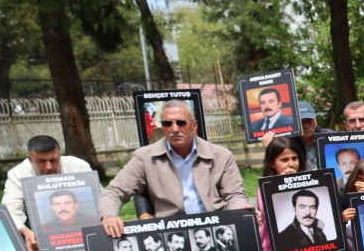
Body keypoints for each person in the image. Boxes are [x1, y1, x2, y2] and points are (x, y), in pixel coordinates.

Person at [98, 100, 250, 235]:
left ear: (194, 125)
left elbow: (234, 195)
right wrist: (109, 215)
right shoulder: (145, 158)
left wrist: (240, 210)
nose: (174, 128)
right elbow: (114, 191)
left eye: (181, 122)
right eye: (167, 123)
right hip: (170, 234)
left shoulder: (221, 156)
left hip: (217, 228)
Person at [2, 135, 95, 251]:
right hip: (35, 232)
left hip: (83, 230)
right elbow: (11, 208)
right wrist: (23, 230)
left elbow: (99, 198)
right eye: (41, 161)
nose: (48, 167)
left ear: (60, 155)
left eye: (53, 160)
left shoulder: (78, 166)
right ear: (30, 159)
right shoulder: (17, 173)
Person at [256, 138, 328, 251]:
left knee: (346, 244)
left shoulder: (310, 180)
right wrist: (282, 184)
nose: (291, 163)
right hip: (279, 249)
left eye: (294, 158)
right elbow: (270, 216)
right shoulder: (266, 186)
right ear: (271, 163)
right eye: (284, 160)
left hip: (308, 245)